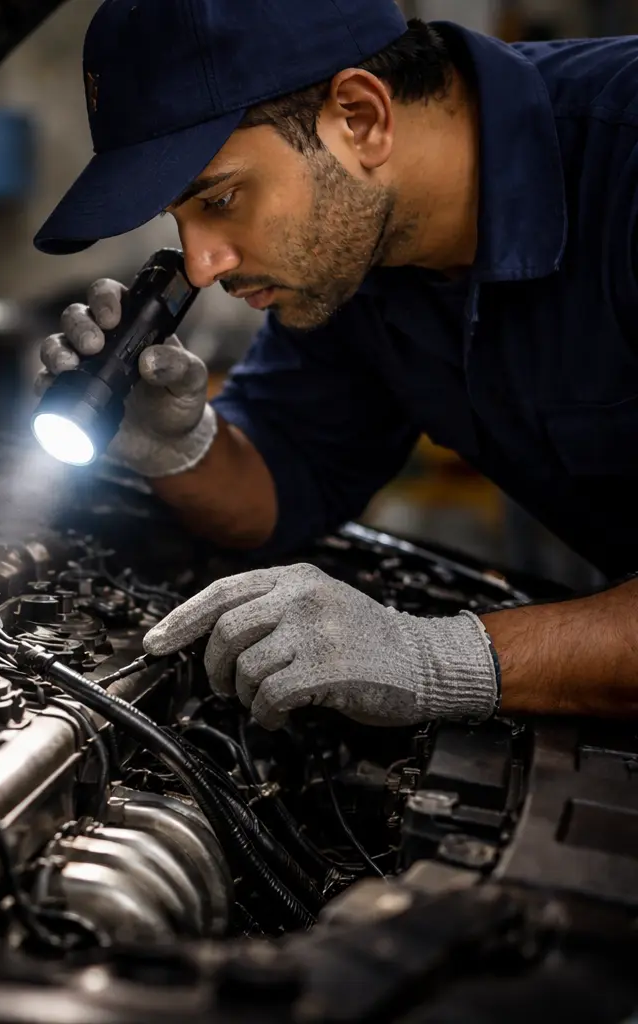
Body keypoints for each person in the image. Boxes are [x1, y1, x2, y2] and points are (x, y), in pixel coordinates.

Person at [32, 0, 638, 729]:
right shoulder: (353, 255)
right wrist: (179, 449)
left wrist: (441, 658)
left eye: (220, 198)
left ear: (360, 116)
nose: (200, 263)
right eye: (179, 221)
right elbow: (288, 477)